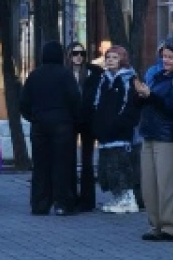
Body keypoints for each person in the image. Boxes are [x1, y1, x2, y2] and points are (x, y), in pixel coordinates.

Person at [20, 41, 81, 216]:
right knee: (62, 165)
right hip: (63, 125)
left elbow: (23, 102)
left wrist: (33, 117)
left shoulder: (34, 75)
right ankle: (63, 203)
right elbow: (75, 99)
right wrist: (73, 120)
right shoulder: (65, 75)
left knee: (40, 165)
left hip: (39, 125)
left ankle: (40, 203)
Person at [135, 38, 173, 241]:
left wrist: (150, 96)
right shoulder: (156, 76)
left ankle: (171, 227)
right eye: (164, 56)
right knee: (149, 184)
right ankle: (155, 225)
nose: (166, 60)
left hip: (168, 136)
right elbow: (148, 102)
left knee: (167, 184)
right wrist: (140, 95)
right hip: (149, 132)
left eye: (171, 57)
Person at [92, 46, 142, 214]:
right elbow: (98, 103)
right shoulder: (104, 79)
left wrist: (120, 123)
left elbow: (132, 106)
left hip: (121, 132)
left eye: (115, 57)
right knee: (108, 168)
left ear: (122, 59)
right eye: (108, 57)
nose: (111, 60)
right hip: (105, 133)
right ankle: (118, 197)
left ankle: (128, 200)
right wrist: (99, 125)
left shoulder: (129, 79)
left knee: (121, 166)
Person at [67, 42, 102, 212]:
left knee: (87, 160)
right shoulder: (65, 73)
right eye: (75, 53)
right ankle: (71, 197)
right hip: (70, 120)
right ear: (69, 55)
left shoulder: (93, 71)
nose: (78, 57)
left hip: (88, 120)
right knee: (70, 159)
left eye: (82, 53)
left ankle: (88, 200)